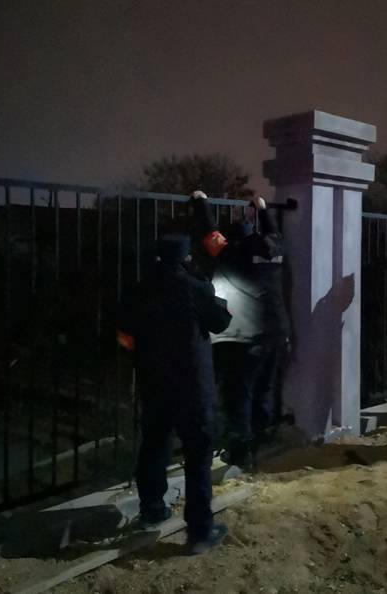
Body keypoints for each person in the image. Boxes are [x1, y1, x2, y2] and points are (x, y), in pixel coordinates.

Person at [117, 234, 231, 554]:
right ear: (185, 258)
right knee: (198, 453)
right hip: (192, 385)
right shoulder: (196, 288)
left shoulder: (139, 290)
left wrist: (139, 355)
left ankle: (152, 509)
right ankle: (200, 531)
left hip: (154, 382)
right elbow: (221, 323)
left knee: (154, 444)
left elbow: (124, 335)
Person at [189, 190, 291, 470]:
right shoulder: (276, 248)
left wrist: (200, 202)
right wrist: (262, 210)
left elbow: (209, 235)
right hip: (277, 333)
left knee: (240, 393)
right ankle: (260, 442)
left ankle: (241, 453)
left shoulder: (233, 253)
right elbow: (272, 231)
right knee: (264, 390)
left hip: (248, 337)